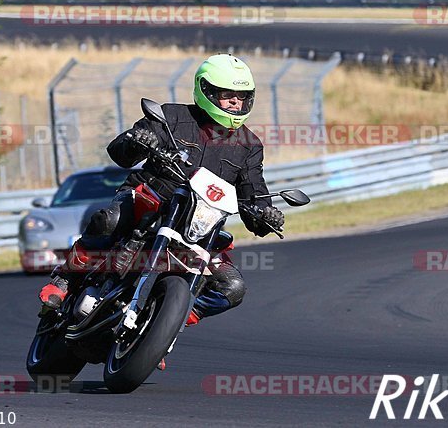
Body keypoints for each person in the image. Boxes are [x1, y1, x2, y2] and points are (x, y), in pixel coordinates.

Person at [38, 53, 285, 328]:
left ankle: (163, 326)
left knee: (232, 287)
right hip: (149, 200)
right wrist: (138, 141)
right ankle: (66, 278)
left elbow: (255, 196)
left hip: (197, 226)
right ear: (206, 91)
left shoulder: (249, 145)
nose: (235, 102)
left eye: (242, 96)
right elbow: (119, 153)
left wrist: (266, 215)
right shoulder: (171, 116)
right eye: (228, 95)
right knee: (107, 220)